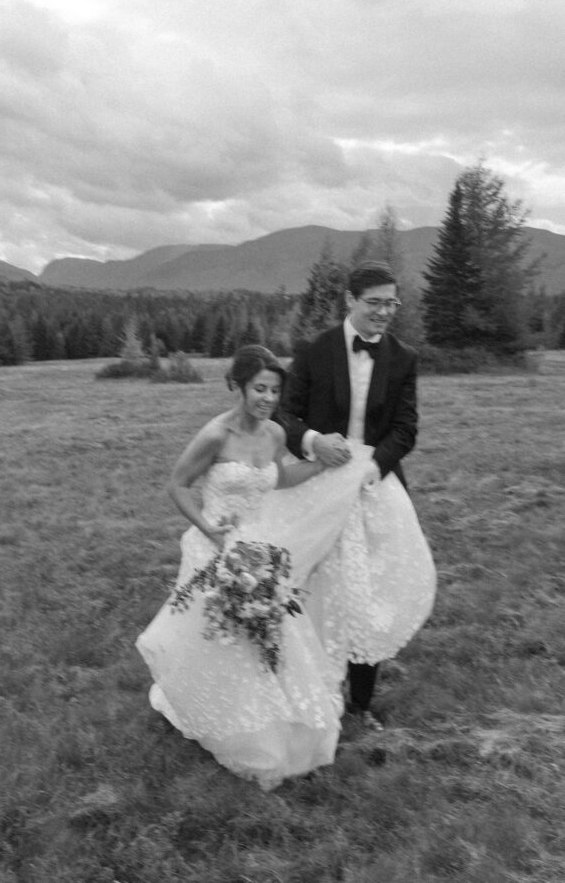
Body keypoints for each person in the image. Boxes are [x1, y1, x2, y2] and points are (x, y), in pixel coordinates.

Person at [136, 345, 373, 790]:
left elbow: (280, 479)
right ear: (238, 386)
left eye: (274, 391)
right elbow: (178, 484)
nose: (267, 398)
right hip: (216, 551)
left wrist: (321, 466)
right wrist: (209, 528)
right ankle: (226, 721)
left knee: (273, 639)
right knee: (222, 639)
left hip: (263, 552)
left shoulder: (275, 435)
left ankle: (277, 725)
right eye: (259, 389)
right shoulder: (215, 435)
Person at [279, 259, 436, 730]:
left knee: (367, 593)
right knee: (312, 589)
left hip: (374, 488)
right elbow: (284, 416)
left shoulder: (404, 358)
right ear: (349, 300)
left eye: (392, 303)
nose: (385, 312)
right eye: (375, 303)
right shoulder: (313, 351)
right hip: (315, 485)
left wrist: (372, 468)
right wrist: (313, 442)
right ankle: (309, 690)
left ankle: (360, 706)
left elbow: (407, 428)